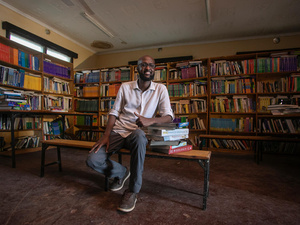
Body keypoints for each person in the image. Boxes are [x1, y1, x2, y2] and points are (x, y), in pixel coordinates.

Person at [86, 55, 174, 212]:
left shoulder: (161, 89)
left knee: (140, 136)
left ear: (155, 69)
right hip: (119, 130)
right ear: (137, 68)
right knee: (93, 159)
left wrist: (150, 120)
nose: (148, 68)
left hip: (138, 134)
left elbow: (169, 116)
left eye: (151, 65)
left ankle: (133, 190)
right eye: (144, 65)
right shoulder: (125, 87)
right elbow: (114, 112)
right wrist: (106, 135)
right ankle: (122, 172)